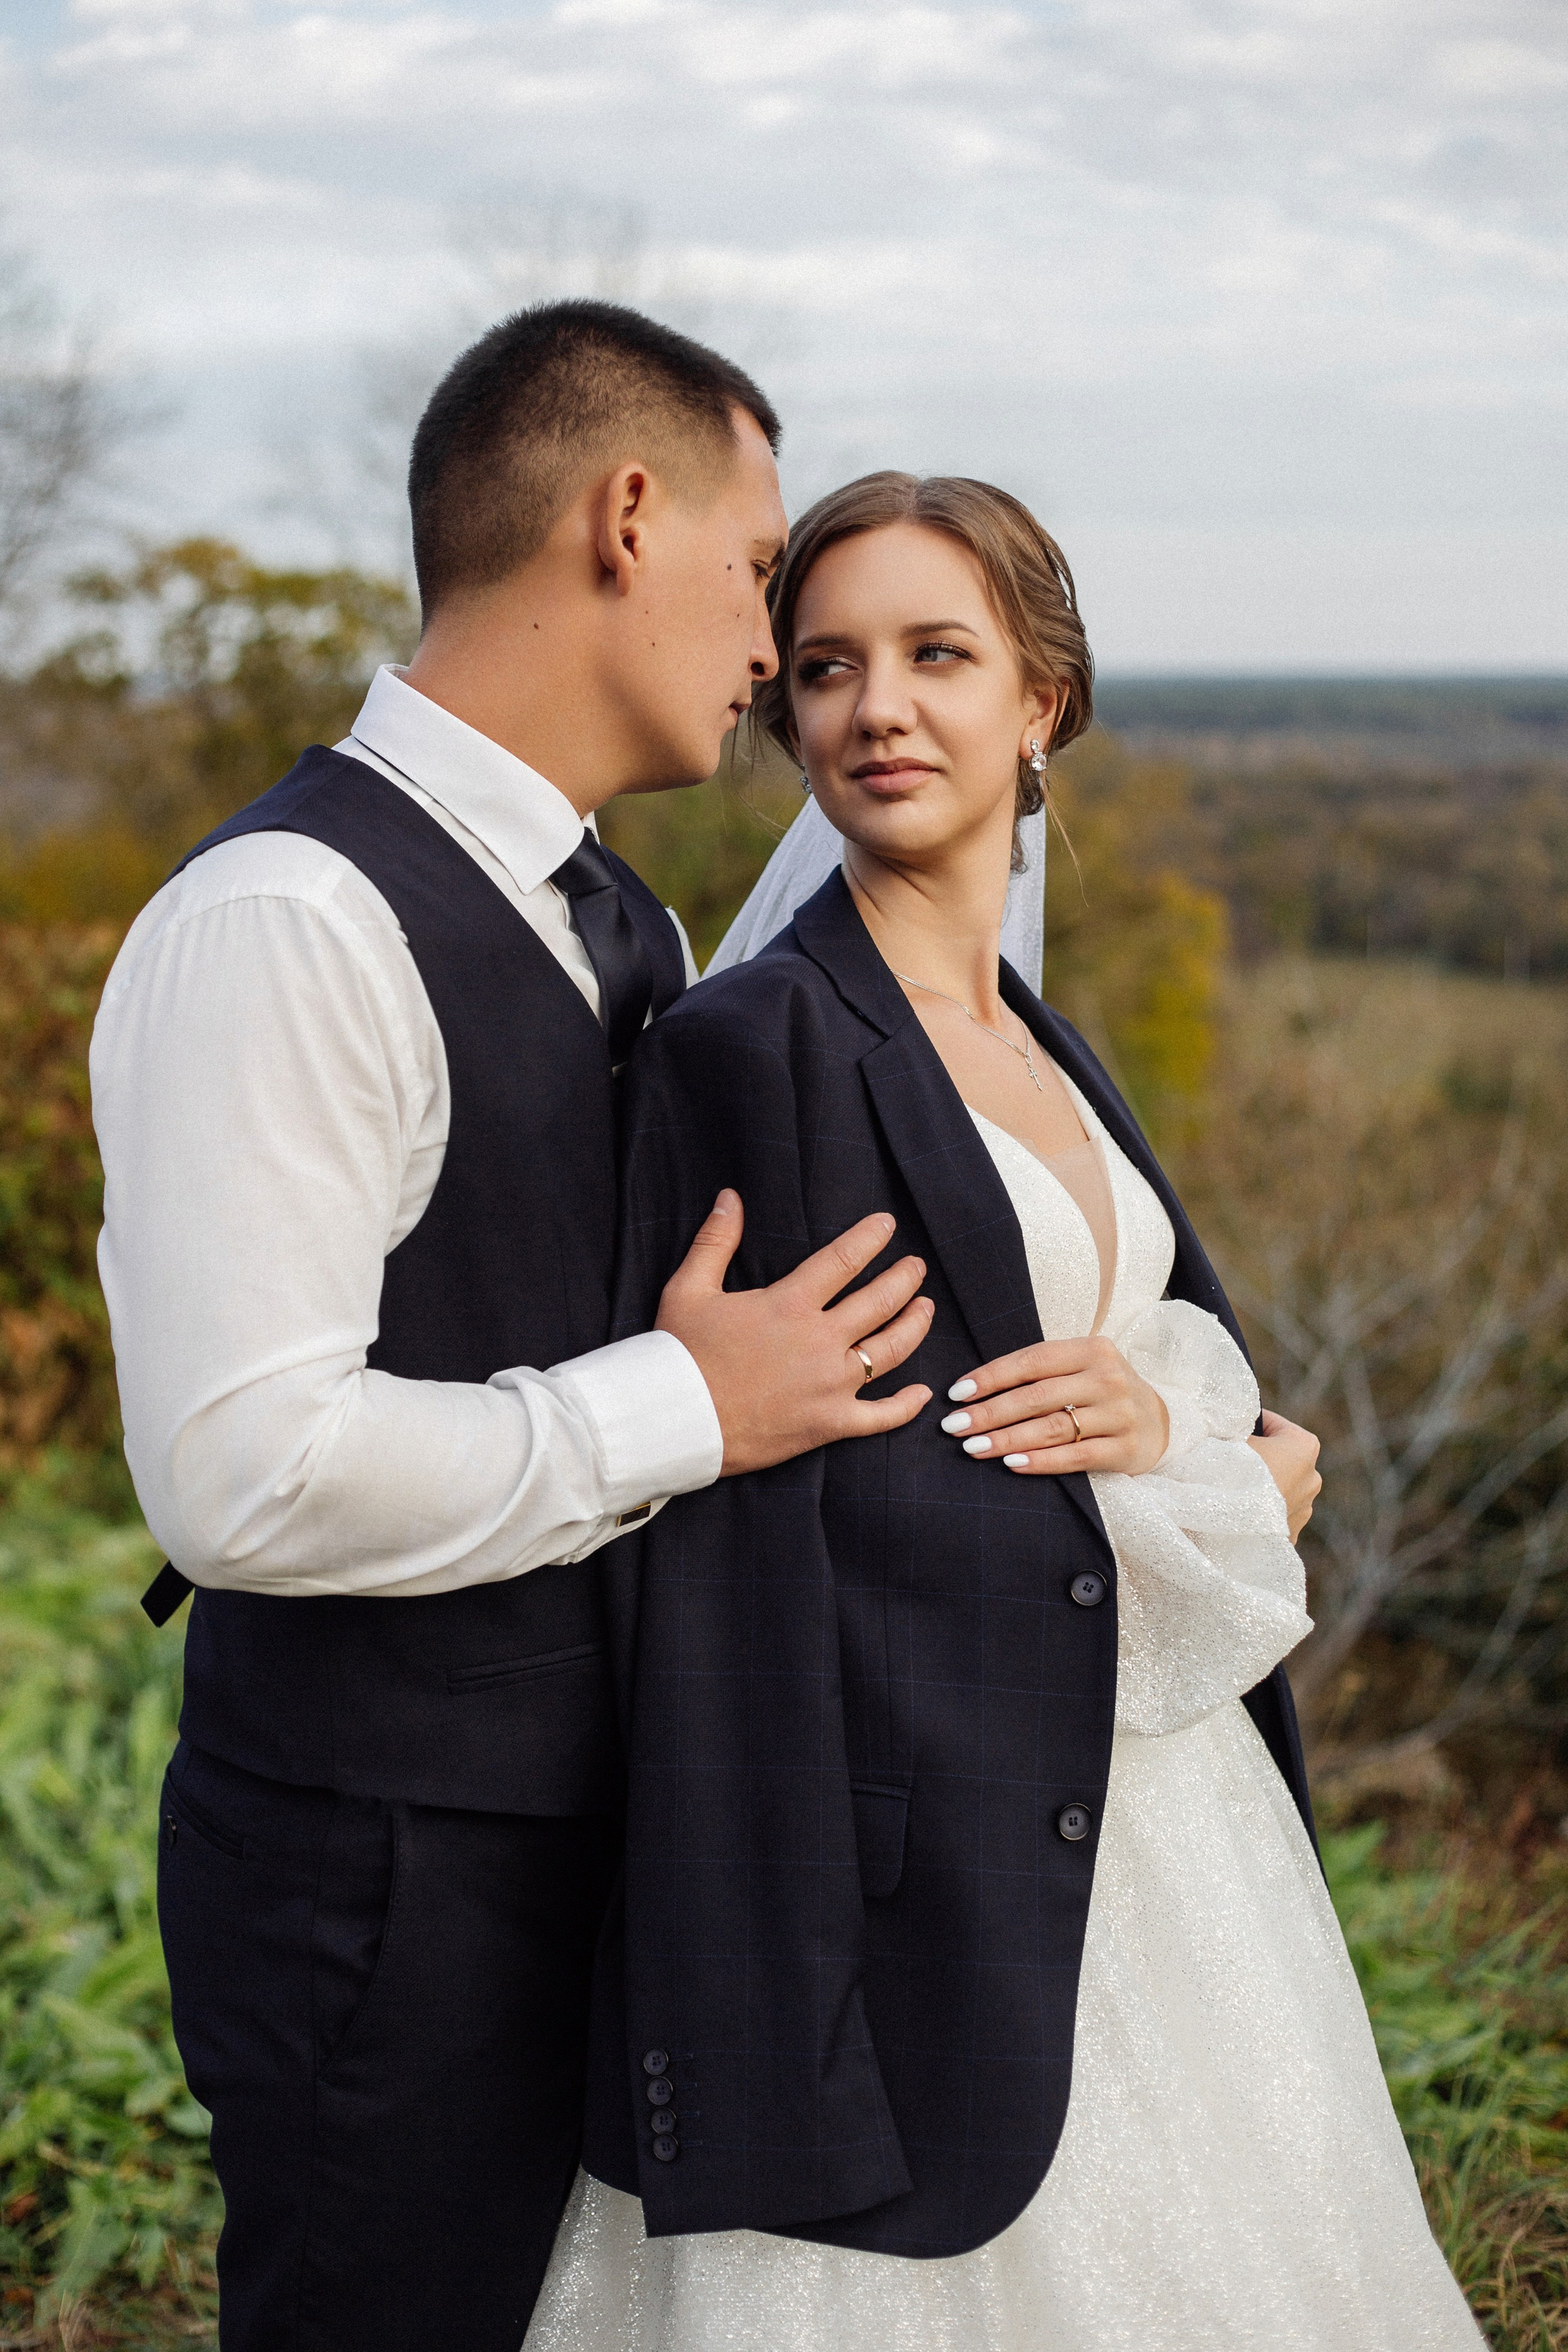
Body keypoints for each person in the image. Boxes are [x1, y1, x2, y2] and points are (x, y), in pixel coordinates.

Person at [526, 472, 1485, 2348]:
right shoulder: (756, 1045)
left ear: (1043, 699)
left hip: (1167, 1831)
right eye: (825, 667)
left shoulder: (1037, 1038)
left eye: (937, 655)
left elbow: (1123, 1364)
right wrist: (1223, 1492)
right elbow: (774, 1527)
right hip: (911, 1868)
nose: (876, 707)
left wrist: (1194, 1442)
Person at [89, 309, 945, 2352]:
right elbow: (241, 1476)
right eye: (759, 570)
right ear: (626, 519)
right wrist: (682, 1406)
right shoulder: (290, 921)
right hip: (382, 1882)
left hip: (619, 1840)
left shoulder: (628, 924)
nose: (774, 649)